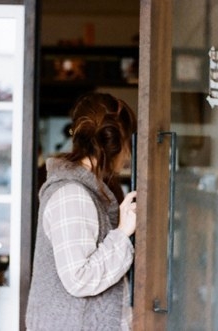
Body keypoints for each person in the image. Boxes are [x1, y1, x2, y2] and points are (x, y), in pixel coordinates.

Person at [26, 92, 138, 330]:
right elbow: (79, 278)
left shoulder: (90, 188)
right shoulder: (72, 194)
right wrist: (122, 233)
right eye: (130, 141)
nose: (129, 154)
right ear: (119, 143)